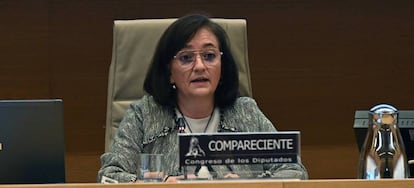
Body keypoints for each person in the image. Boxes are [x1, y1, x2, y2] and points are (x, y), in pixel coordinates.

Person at [98, 13, 308, 183]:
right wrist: (158, 185)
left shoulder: (246, 112)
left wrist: (249, 182)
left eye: (209, 56)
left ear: (222, 67)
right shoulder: (143, 115)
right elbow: (109, 176)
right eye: (186, 58)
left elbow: (294, 171)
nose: (199, 66)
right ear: (169, 71)